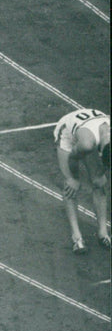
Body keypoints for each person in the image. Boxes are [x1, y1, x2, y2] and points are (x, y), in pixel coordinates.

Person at [53, 108, 111, 254]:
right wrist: (72, 178)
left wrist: (101, 172)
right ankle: (76, 237)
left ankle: (103, 233)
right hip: (68, 134)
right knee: (71, 186)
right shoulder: (86, 144)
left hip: (88, 129)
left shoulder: (102, 142)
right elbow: (73, 157)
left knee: (100, 182)